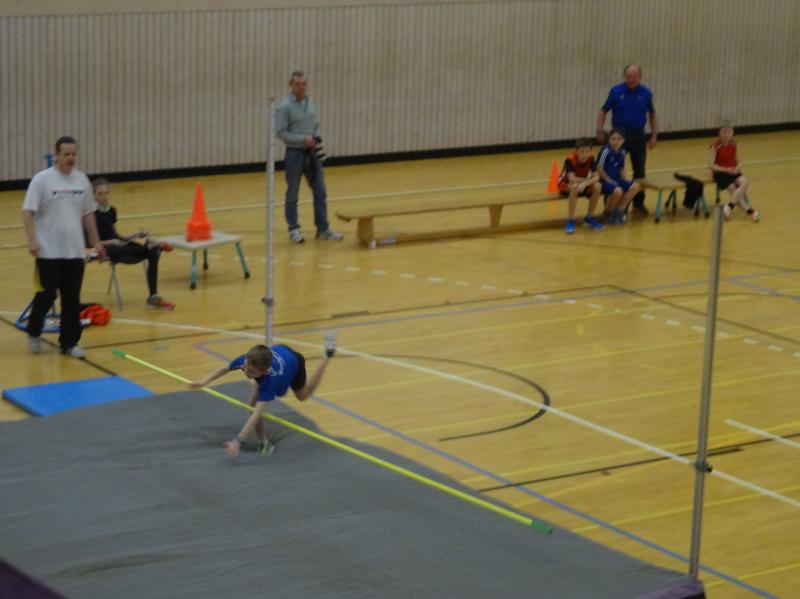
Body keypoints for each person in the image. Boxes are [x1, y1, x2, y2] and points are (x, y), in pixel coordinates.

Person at [22, 136, 107, 358]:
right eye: (66, 154)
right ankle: (34, 331)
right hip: (47, 251)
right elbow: (28, 211)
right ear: (56, 156)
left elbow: (88, 214)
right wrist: (32, 239)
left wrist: (96, 241)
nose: (70, 158)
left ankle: (69, 343)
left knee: (71, 298)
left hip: (74, 252)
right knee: (47, 294)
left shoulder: (82, 181)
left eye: (73, 154)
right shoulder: (42, 180)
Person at [190, 339, 336, 456]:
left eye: (251, 372)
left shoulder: (270, 381)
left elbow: (256, 414)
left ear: (265, 371)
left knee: (303, 396)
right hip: (280, 351)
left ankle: (326, 356)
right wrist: (203, 381)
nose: (246, 372)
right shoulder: (248, 361)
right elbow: (224, 369)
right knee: (252, 404)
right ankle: (264, 443)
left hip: (294, 363)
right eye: (245, 367)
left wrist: (238, 441)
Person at [275, 70, 343, 244]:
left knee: (320, 190)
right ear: (291, 85)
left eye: (304, 84)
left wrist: (316, 137)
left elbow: (316, 123)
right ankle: (294, 229)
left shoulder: (311, 102)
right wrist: (302, 139)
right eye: (297, 84)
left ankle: (323, 229)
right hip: (294, 154)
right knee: (293, 193)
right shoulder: (284, 107)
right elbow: (281, 132)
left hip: (313, 153)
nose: (301, 87)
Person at [92, 178, 176, 309]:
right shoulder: (91, 215)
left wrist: (134, 235)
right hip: (108, 249)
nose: (104, 197)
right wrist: (110, 242)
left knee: (153, 254)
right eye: (100, 194)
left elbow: (116, 235)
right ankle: (153, 245)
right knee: (148, 250)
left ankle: (153, 298)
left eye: (106, 193)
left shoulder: (112, 210)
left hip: (120, 244)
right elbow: (91, 242)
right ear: (94, 196)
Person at [596, 64, 658, 217]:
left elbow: (652, 113)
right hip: (618, 137)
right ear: (624, 77)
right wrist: (599, 129)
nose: (632, 79)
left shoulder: (646, 93)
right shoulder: (616, 91)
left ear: (640, 77)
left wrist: (654, 135)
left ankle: (638, 205)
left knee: (640, 170)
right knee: (613, 169)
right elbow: (603, 110)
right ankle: (610, 205)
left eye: (635, 76)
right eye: (629, 76)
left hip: (638, 135)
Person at [708, 124, 761, 222]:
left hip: (733, 170)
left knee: (745, 182)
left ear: (732, 133)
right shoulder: (715, 146)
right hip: (720, 173)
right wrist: (727, 170)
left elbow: (738, 160)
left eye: (729, 132)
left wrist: (737, 167)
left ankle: (729, 207)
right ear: (719, 133)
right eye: (724, 132)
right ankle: (751, 212)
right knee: (734, 190)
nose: (726, 134)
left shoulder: (734, 144)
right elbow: (711, 165)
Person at [557, 138, 604, 234]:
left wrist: (585, 183)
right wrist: (588, 180)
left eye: (587, 151)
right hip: (564, 184)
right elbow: (572, 179)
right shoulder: (570, 159)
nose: (584, 154)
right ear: (576, 151)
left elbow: (597, 177)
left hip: (581, 183)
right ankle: (571, 220)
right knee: (575, 187)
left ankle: (589, 217)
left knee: (598, 186)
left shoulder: (591, 159)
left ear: (591, 151)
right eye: (582, 151)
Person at [596, 129, 641, 225]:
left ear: (623, 140)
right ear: (609, 140)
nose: (616, 142)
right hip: (604, 180)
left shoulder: (622, 152)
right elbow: (599, 167)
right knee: (618, 191)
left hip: (616, 180)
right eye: (613, 139)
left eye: (619, 139)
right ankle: (608, 212)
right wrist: (608, 180)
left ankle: (619, 211)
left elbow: (621, 168)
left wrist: (624, 180)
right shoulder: (605, 150)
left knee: (635, 186)